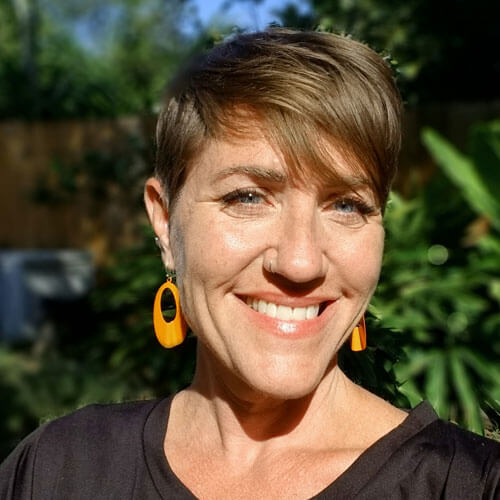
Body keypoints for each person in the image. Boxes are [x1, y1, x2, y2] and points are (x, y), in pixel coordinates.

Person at [1, 28, 499, 499]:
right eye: (248, 197)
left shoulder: (468, 486)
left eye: (346, 204)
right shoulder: (61, 470)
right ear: (165, 221)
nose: (301, 263)